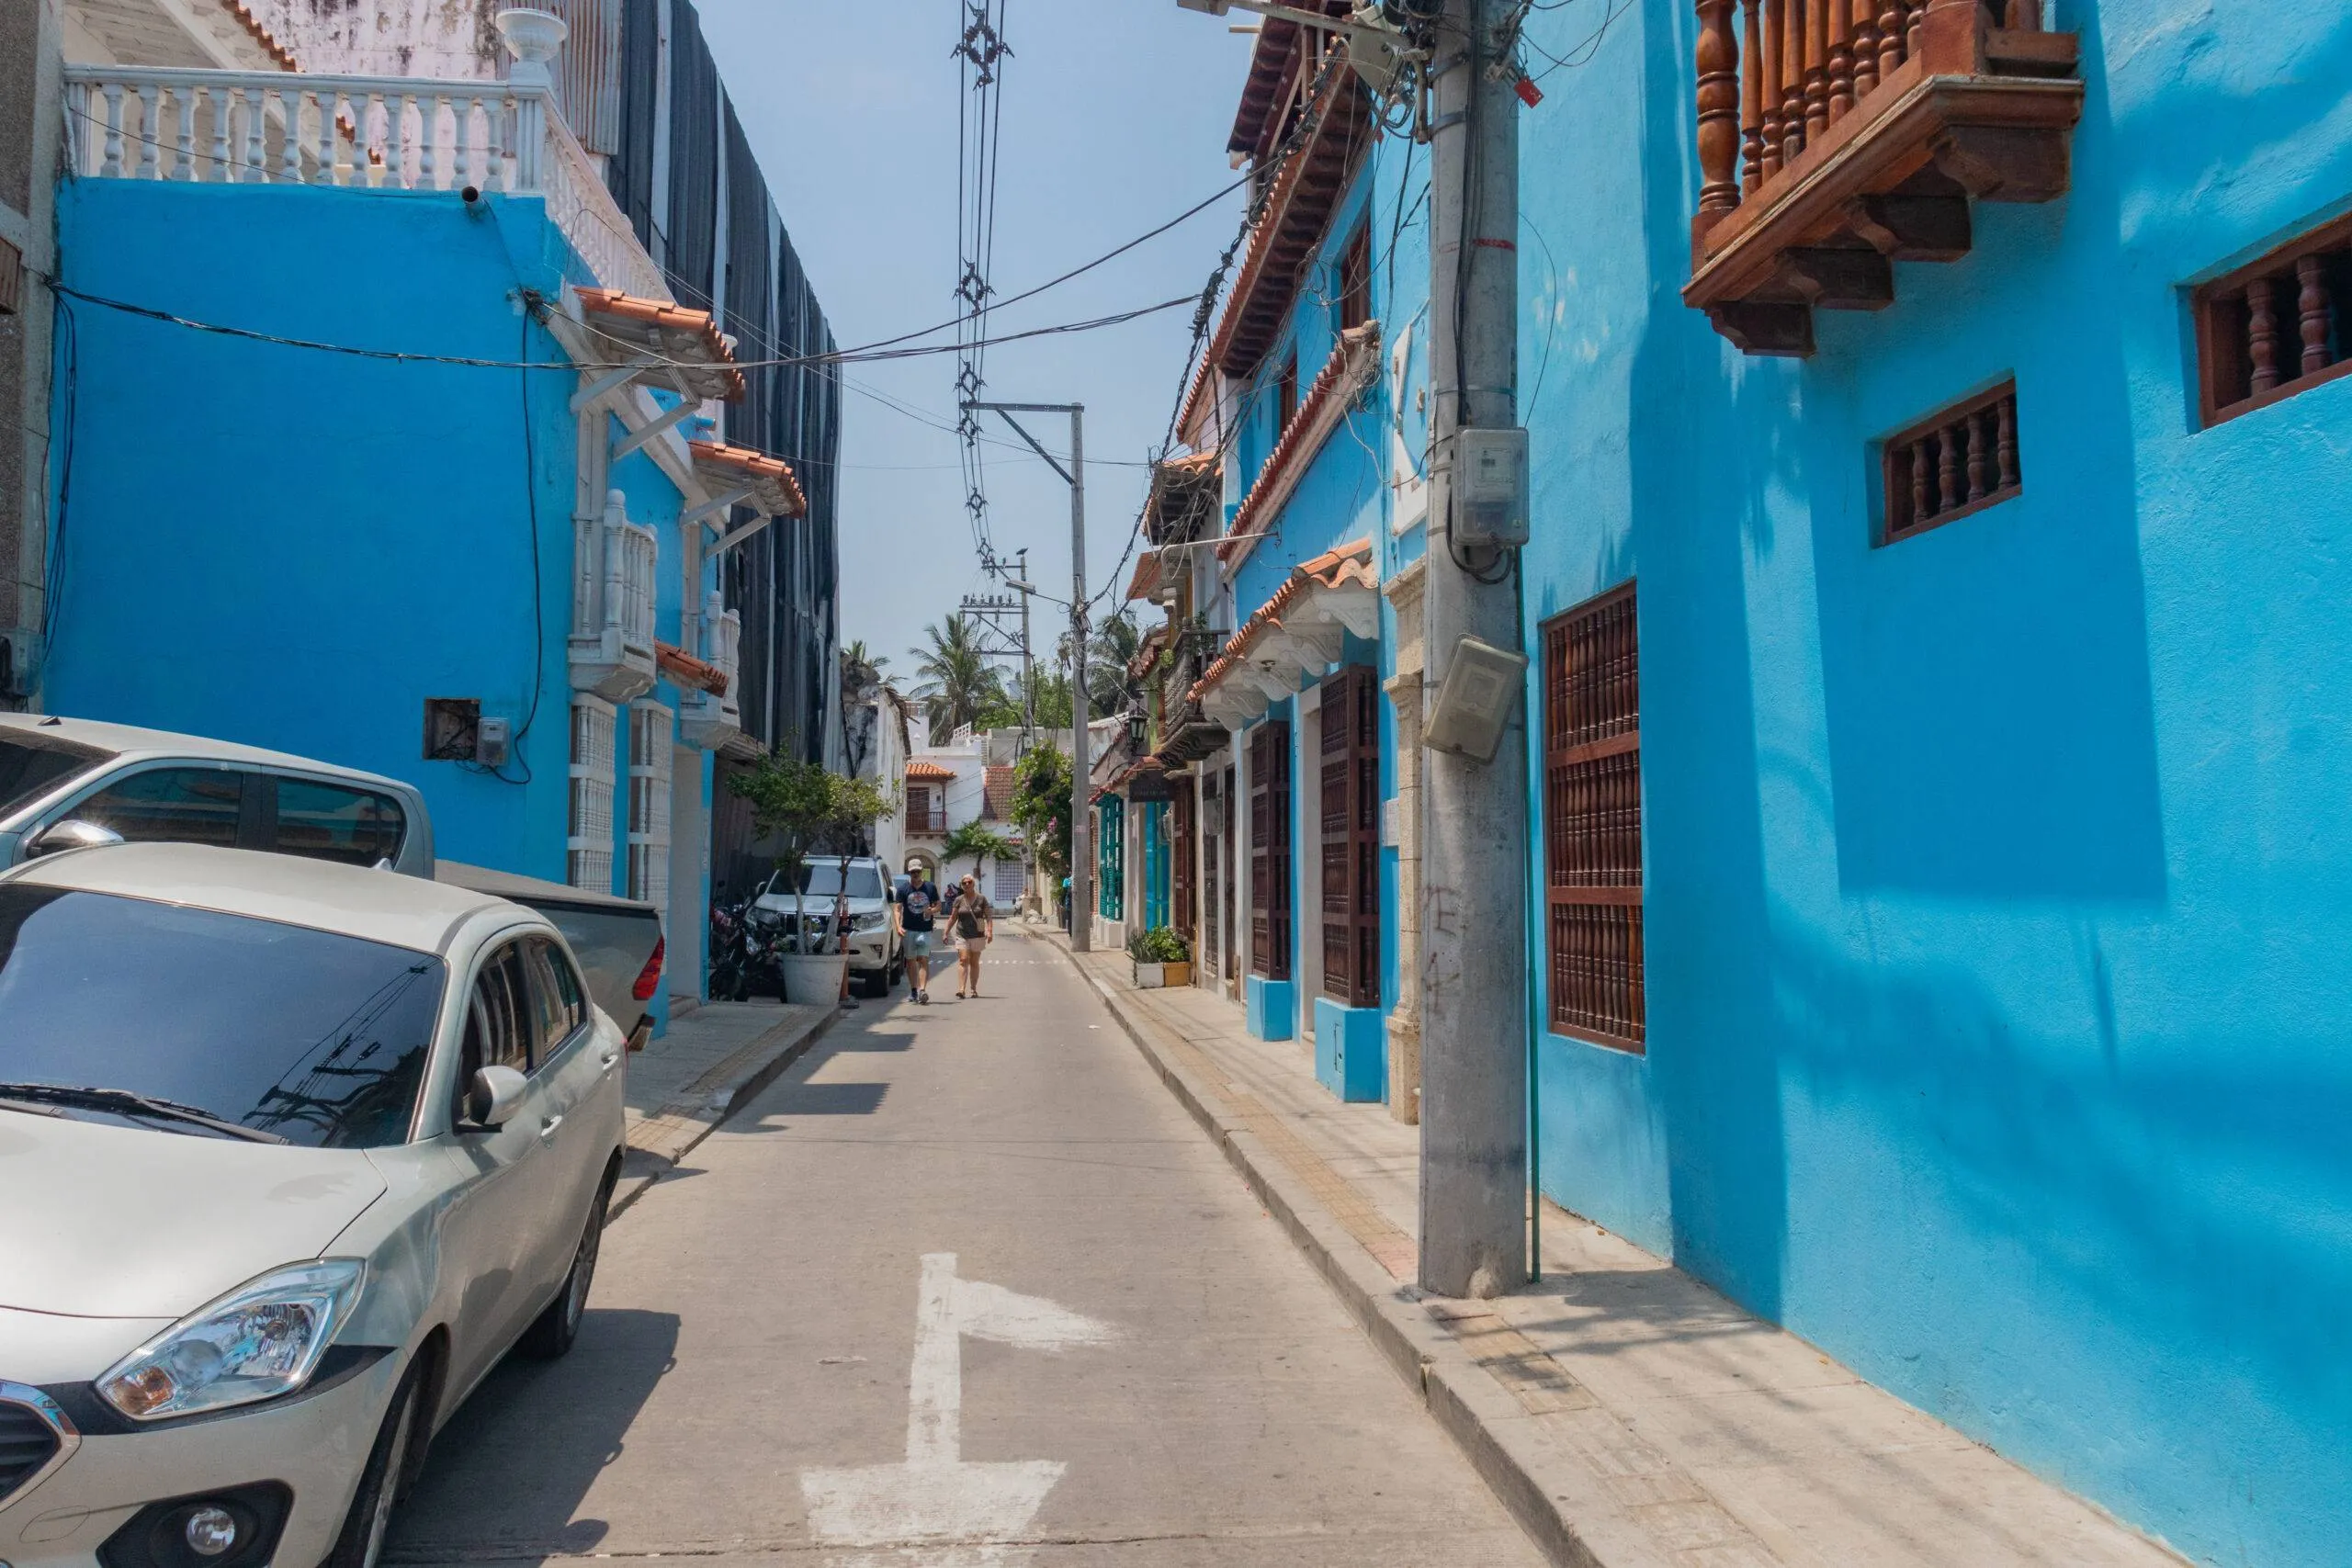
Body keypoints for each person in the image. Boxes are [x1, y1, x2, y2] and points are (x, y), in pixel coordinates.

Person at [898, 864, 939, 1004]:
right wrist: (898, 926)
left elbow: (938, 905)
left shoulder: (930, 887)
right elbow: (897, 909)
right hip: (908, 929)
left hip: (925, 929)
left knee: (923, 959)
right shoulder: (903, 888)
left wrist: (931, 911)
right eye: (913, 871)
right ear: (909, 872)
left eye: (918, 871)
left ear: (922, 872)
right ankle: (914, 990)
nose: (915, 874)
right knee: (910, 961)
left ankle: (922, 990)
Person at [949, 874, 994, 998]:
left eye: (969, 882)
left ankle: (973, 989)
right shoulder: (959, 900)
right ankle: (961, 989)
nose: (967, 884)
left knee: (974, 962)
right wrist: (946, 932)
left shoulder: (981, 899)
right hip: (962, 934)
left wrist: (989, 931)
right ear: (961, 886)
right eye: (964, 883)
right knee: (963, 960)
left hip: (977, 934)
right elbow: (953, 918)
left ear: (973, 884)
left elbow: (988, 916)